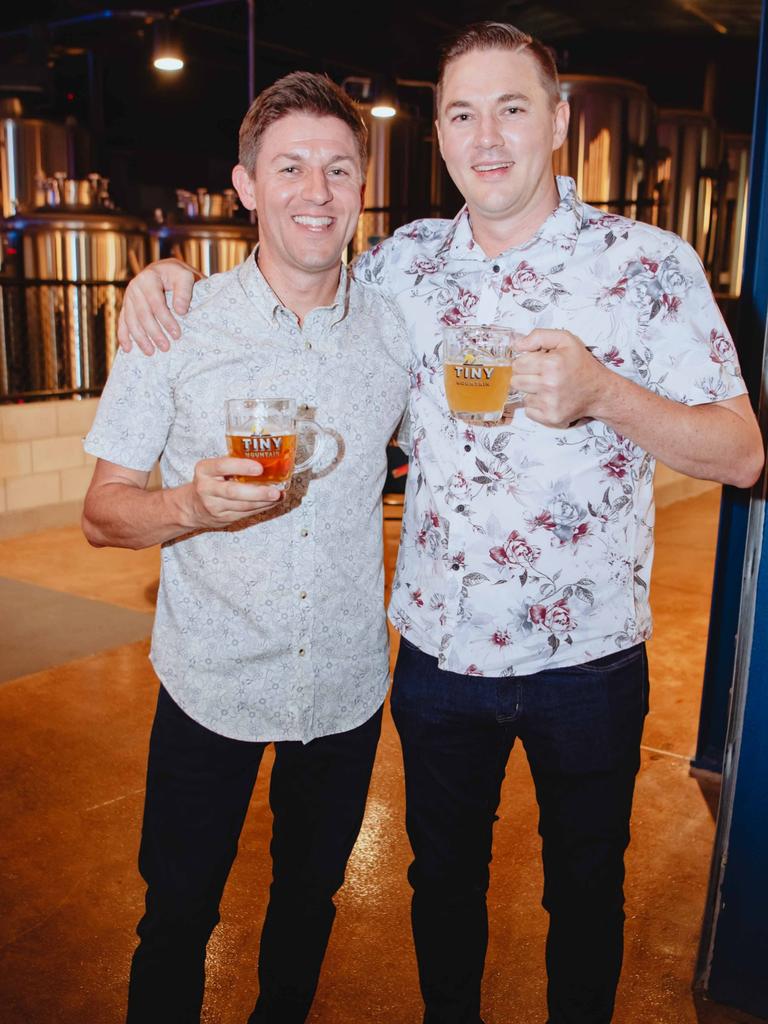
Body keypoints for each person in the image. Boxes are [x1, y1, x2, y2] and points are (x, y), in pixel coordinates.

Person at [117, 22, 764, 1024]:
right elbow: (297, 263)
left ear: (558, 120)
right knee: (442, 888)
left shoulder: (647, 264)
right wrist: (165, 281)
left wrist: (605, 393)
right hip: (438, 657)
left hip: (586, 659)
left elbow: (746, 452)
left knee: (585, 891)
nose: (487, 134)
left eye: (513, 106)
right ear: (440, 133)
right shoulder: (401, 269)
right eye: (462, 112)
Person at [81, 71, 409, 1024]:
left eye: (339, 169)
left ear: (361, 185)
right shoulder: (176, 322)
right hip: (211, 680)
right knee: (177, 918)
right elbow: (103, 513)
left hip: (345, 687)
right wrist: (190, 504)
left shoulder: (393, 330)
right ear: (246, 185)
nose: (317, 191)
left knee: (309, 907)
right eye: (291, 167)